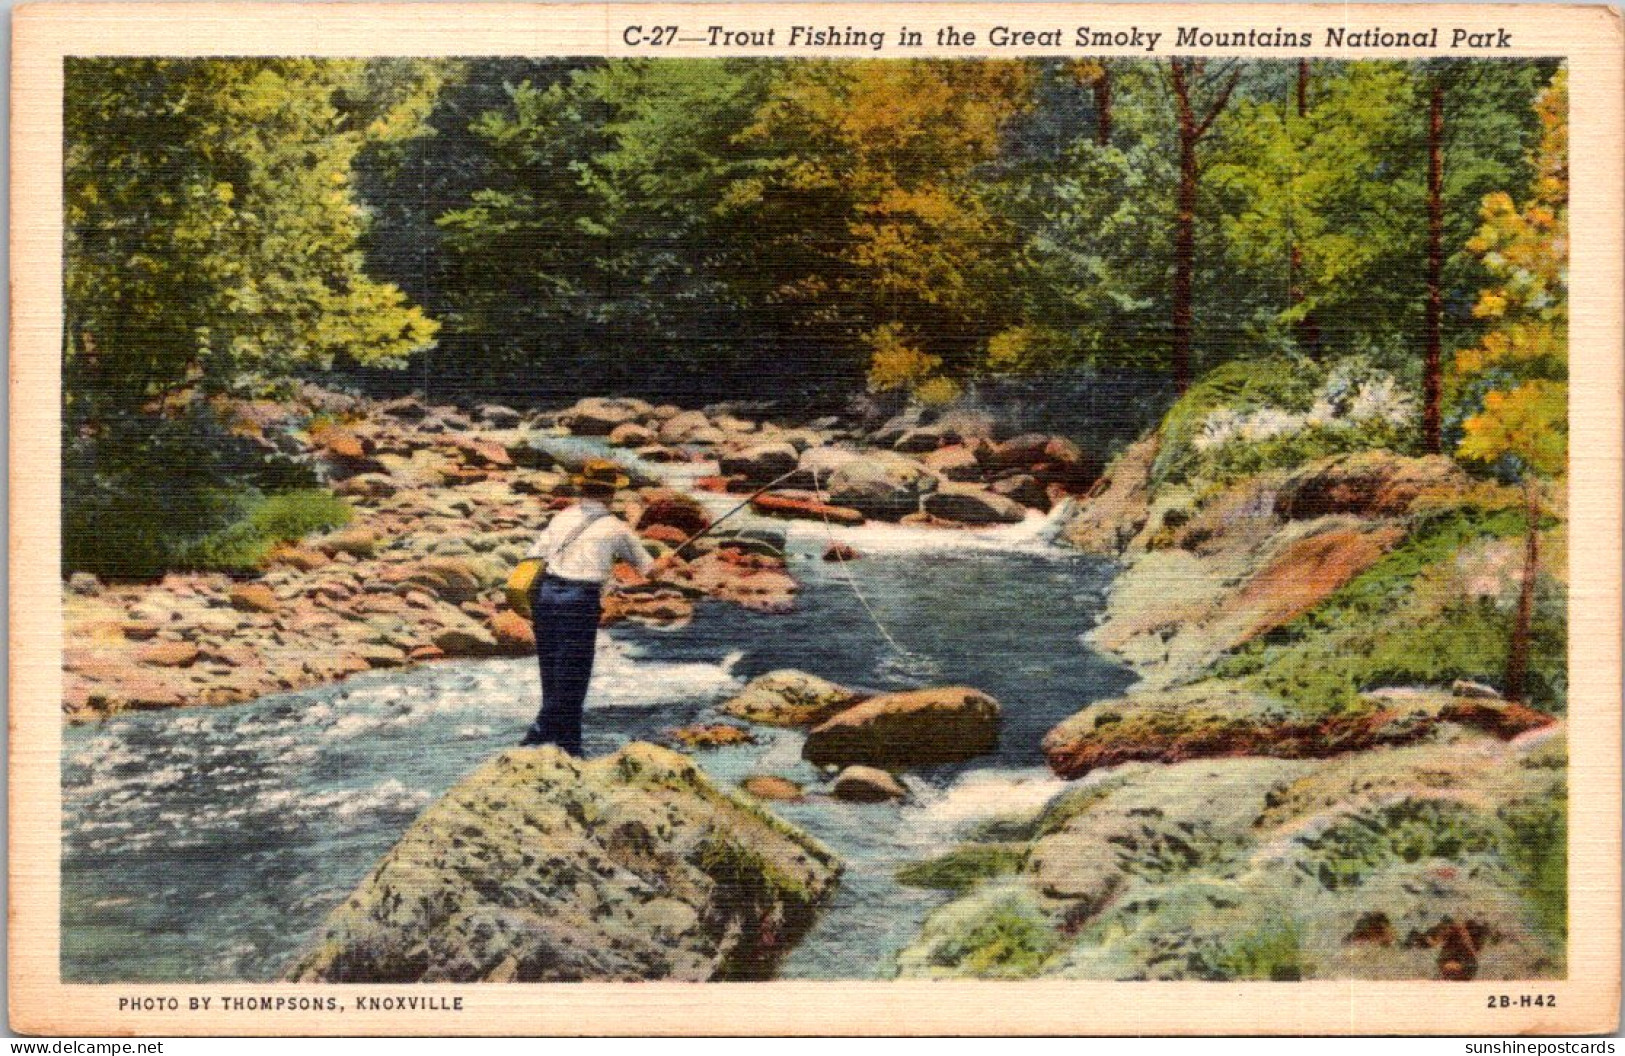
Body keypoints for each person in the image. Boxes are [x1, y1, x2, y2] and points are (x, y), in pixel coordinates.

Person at [519, 457, 670, 753]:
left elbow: (533, 556)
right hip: (579, 601)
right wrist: (666, 561)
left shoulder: (562, 517)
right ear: (611, 493)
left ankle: (557, 742)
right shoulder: (617, 528)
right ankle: (556, 740)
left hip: (545, 595)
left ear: (583, 490)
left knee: (551, 674)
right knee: (574, 677)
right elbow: (650, 572)